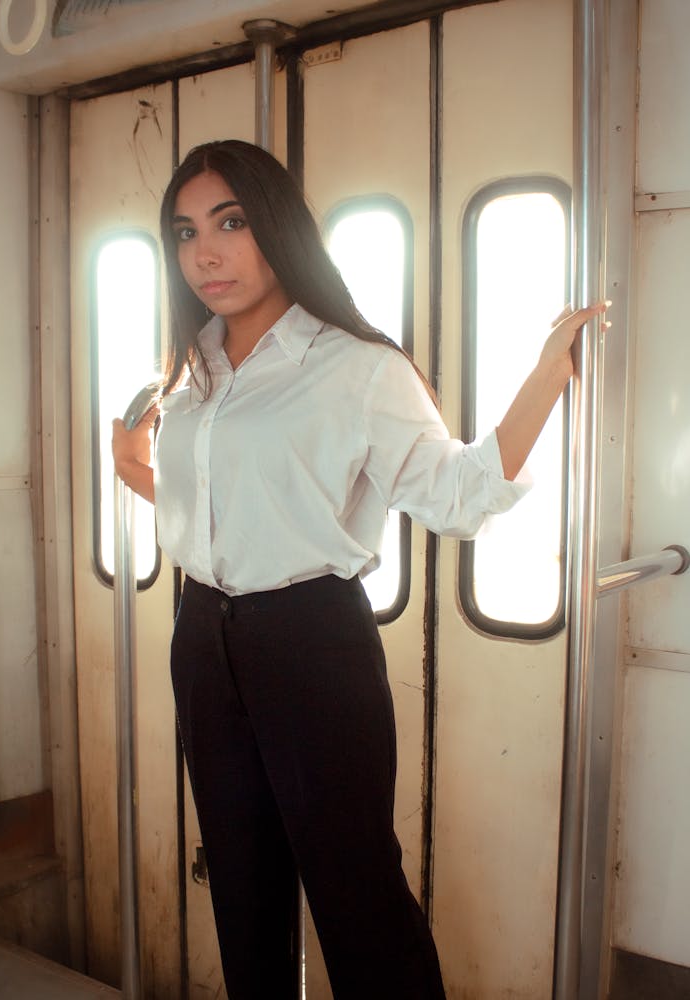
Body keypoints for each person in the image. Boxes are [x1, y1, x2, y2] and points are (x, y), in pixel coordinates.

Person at [112, 139, 609, 1000]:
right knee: (239, 879)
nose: (207, 252)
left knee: (356, 892)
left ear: (277, 226)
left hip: (311, 643)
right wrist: (135, 472)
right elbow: (234, 508)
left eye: (230, 221)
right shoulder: (193, 367)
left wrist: (544, 376)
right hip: (201, 638)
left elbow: (460, 496)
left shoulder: (355, 367)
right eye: (186, 231)